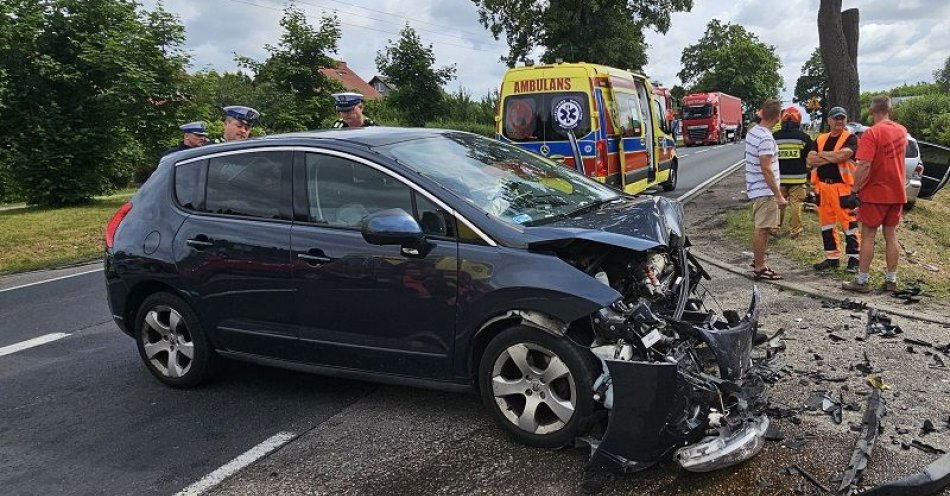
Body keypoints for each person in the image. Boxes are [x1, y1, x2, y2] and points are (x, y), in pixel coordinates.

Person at [843, 95, 908, 293]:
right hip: (897, 191)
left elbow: (864, 165)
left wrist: (854, 189)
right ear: (889, 109)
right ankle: (891, 280)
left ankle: (862, 280)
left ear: (871, 112)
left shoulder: (872, 134)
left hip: (875, 193)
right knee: (891, 235)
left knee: (868, 236)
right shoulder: (902, 131)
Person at [806, 106, 860, 272]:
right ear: (829, 120)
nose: (839, 121)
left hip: (843, 188)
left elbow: (842, 156)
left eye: (842, 118)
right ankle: (832, 258)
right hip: (823, 188)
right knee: (826, 224)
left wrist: (822, 155)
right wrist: (832, 157)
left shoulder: (850, 138)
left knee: (849, 224)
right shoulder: (821, 139)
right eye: (836, 118)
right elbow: (810, 160)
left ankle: (854, 261)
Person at [745, 99, 786, 280]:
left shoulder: (753, 132)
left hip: (756, 188)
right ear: (778, 117)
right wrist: (778, 194)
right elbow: (766, 167)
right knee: (762, 228)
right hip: (765, 191)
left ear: (761, 113)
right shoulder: (766, 138)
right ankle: (760, 267)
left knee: (762, 227)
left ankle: (758, 260)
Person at [773, 107, 813, 238]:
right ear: (799, 121)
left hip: (780, 178)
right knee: (796, 204)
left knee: (779, 202)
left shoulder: (775, 137)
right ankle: (795, 230)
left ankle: (775, 227)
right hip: (798, 178)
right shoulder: (804, 137)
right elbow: (811, 157)